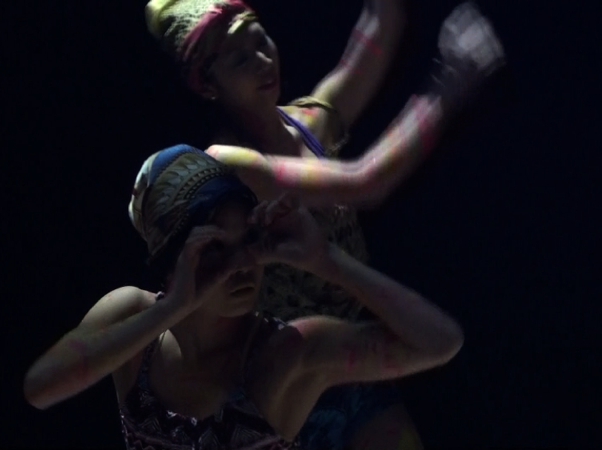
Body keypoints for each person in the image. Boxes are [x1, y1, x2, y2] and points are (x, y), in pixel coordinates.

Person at [145, 2, 504, 446]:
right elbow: (365, 182)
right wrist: (447, 87)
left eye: (260, 41)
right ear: (208, 84)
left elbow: (377, 31)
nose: (262, 60)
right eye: (239, 59)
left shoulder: (309, 124)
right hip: (286, 381)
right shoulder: (228, 163)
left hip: (349, 355)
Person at [23, 145, 464, 449]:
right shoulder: (133, 318)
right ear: (171, 257)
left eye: (249, 240)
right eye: (214, 248)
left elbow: (440, 342)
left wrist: (326, 260)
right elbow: (41, 388)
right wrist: (174, 306)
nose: (241, 264)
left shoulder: (282, 351)